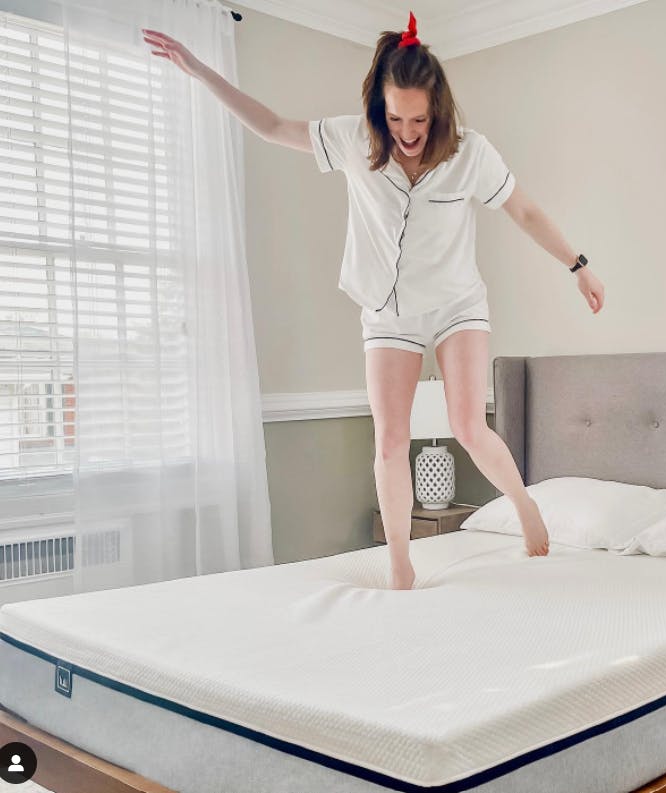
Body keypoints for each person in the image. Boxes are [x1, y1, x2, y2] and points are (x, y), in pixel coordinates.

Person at [142, 12, 605, 591]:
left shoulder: (470, 153)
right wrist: (198, 70)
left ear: (436, 110)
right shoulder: (354, 141)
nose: (407, 131)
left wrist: (578, 266)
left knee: (467, 422)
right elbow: (271, 126)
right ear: (377, 109)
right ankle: (400, 562)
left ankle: (523, 504)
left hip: (457, 303)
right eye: (395, 117)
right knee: (389, 436)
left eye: (418, 118)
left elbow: (525, 211)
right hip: (388, 309)